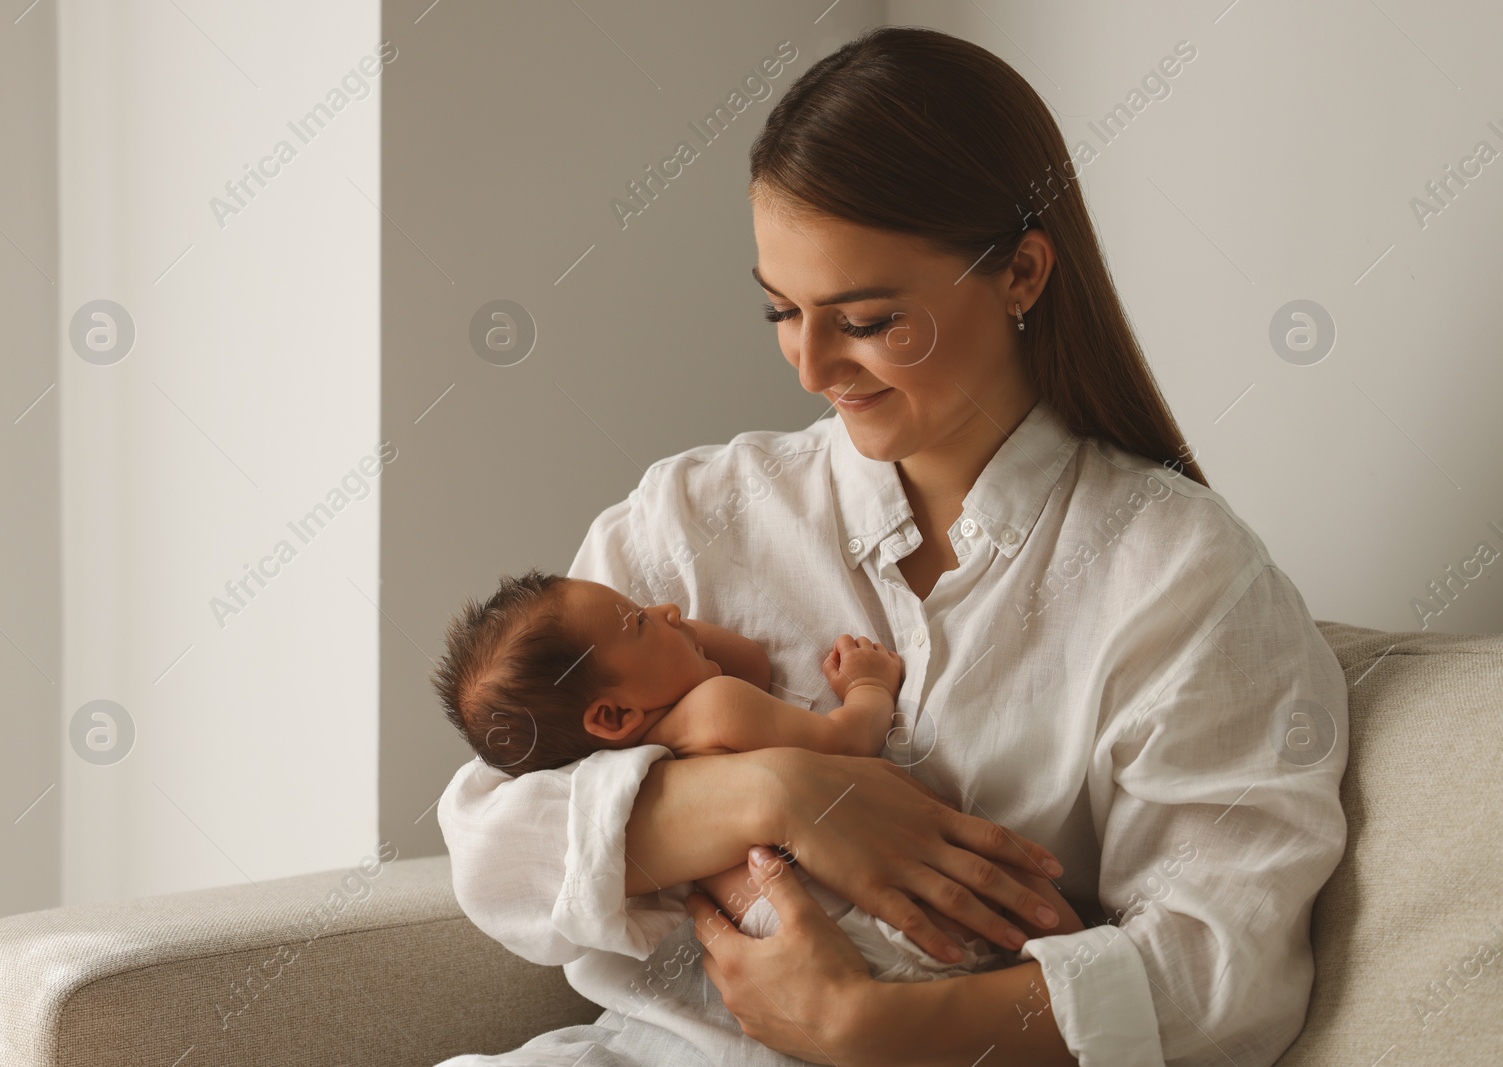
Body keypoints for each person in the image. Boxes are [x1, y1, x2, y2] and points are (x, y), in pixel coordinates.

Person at [436, 24, 1348, 1067]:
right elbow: (493, 841)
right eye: (781, 310)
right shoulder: (697, 513)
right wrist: (777, 794)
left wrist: (873, 1029)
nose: (812, 363)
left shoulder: (1180, 577)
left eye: (865, 317)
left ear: (1021, 273)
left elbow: (1223, 967)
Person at [430, 571, 1087, 985]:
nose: (666, 608)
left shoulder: (627, 768)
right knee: (1029, 910)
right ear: (611, 713)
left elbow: (740, 663)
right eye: (637, 621)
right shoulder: (714, 710)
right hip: (852, 908)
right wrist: (866, 685)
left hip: (791, 933)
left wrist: (671, 635)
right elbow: (844, 738)